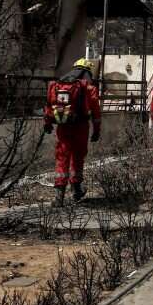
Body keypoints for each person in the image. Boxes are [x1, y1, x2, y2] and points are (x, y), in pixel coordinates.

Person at [45, 58, 102, 205]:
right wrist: (96, 131)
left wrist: (47, 123)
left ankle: (59, 196)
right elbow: (96, 112)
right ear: (87, 71)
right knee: (78, 157)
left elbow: (49, 104)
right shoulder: (88, 87)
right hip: (81, 127)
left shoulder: (57, 85)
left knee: (62, 158)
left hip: (63, 127)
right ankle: (76, 189)